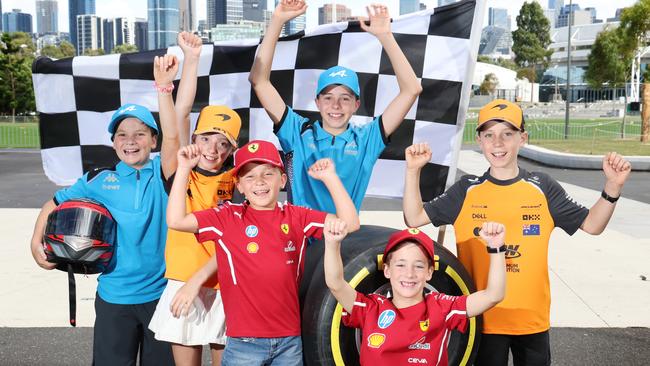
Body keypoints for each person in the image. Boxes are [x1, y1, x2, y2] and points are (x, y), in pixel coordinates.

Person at [402, 99, 633, 366]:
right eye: (489, 135)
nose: (497, 143)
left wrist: (612, 188)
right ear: (479, 140)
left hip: (530, 320)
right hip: (482, 319)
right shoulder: (466, 189)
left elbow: (593, 225)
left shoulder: (542, 186)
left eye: (507, 134)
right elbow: (414, 217)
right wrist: (412, 171)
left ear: (522, 138)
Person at [29, 56, 182, 365]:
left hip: (163, 298)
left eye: (140, 133)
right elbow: (53, 204)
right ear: (113, 143)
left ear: (154, 140)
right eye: (122, 135)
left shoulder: (165, 174)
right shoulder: (98, 179)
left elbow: (175, 137)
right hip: (115, 297)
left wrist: (164, 88)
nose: (130, 141)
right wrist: (36, 243)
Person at [166, 139, 360, 364]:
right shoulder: (227, 217)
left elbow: (351, 223)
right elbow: (176, 220)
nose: (259, 181)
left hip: (289, 341)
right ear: (239, 186)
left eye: (268, 174)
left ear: (283, 180)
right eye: (249, 176)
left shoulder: (296, 216)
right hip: (243, 343)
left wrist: (331, 179)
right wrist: (183, 170)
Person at [249, 0, 422, 213]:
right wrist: (277, 20)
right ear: (317, 102)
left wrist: (385, 36)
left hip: (343, 239)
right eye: (328, 98)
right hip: (299, 240)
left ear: (356, 104)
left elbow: (411, 90)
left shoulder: (367, 139)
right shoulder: (297, 131)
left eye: (345, 98)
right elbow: (259, 81)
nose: (336, 105)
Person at [147, 32, 239, 366]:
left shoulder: (241, 180)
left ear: (232, 149)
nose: (212, 150)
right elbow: (178, 118)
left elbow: (235, 241)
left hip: (226, 285)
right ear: (195, 138)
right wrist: (191, 60)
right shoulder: (180, 168)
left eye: (223, 143)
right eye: (206, 138)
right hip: (182, 282)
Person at [323, 222, 506, 365]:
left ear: (429, 273)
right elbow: (335, 283)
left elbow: (493, 295)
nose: (409, 274)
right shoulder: (371, 308)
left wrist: (496, 248)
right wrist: (332, 244)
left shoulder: (442, 308)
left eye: (418, 266)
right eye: (400, 265)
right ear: (387, 270)